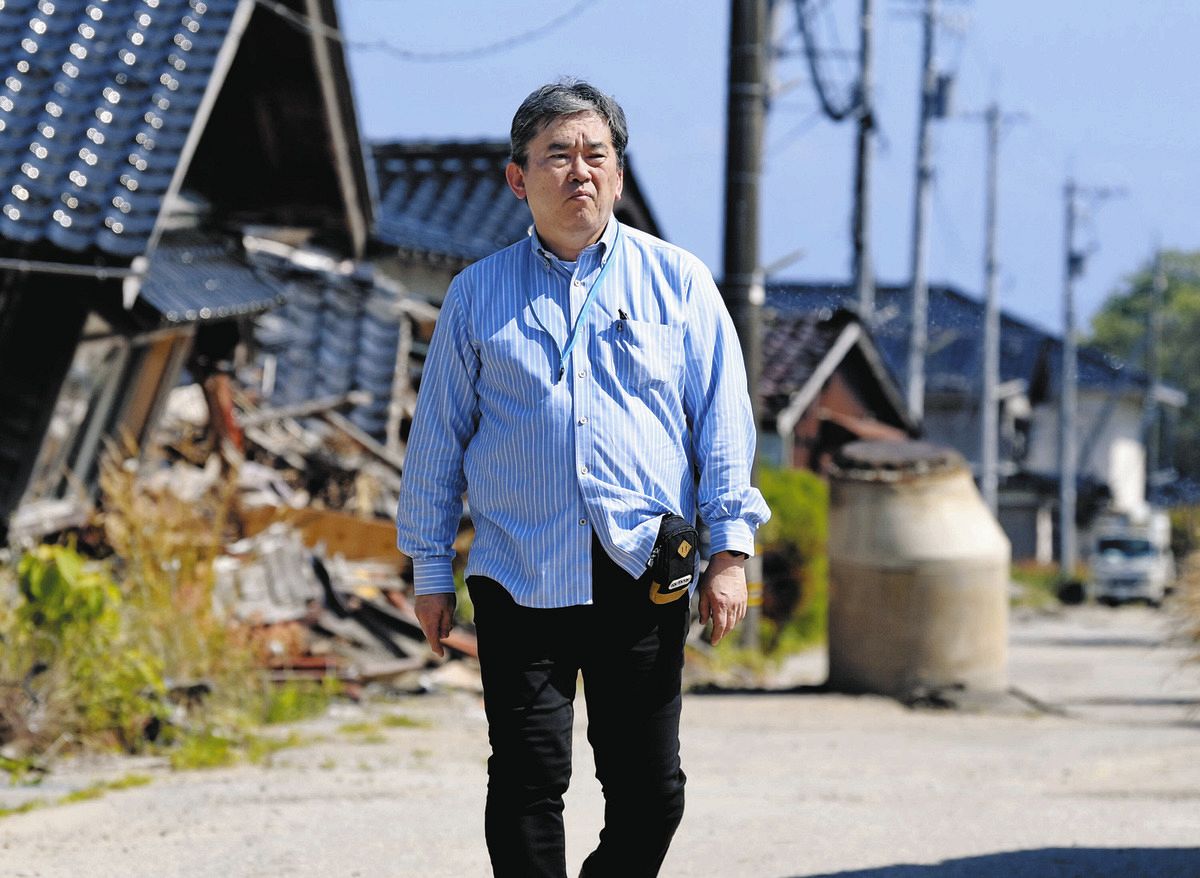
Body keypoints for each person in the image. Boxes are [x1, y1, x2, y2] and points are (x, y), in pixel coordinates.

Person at [395, 79, 770, 878]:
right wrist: (430, 570)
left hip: (640, 570)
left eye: (596, 156)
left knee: (650, 792)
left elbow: (724, 426)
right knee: (529, 779)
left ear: (620, 175)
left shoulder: (680, 284)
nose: (579, 174)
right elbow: (436, 444)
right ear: (517, 177)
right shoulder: (475, 296)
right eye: (557, 157)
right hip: (517, 569)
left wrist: (729, 554)